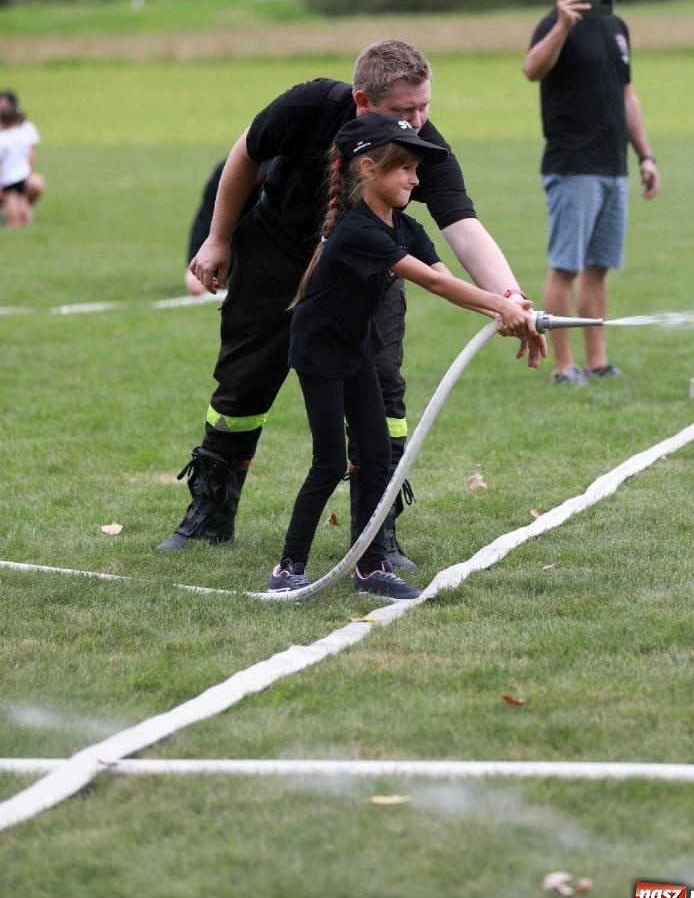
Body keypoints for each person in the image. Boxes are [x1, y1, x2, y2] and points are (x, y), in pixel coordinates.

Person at [157, 39, 547, 557]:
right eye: (403, 109)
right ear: (363, 101)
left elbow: (462, 227)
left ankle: (376, 533)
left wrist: (511, 296)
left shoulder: (424, 145)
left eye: (424, 106)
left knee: (383, 392)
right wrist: (217, 238)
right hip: (276, 255)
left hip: (366, 273)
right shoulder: (310, 105)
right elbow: (245, 153)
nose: (417, 122)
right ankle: (210, 512)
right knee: (242, 387)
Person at [269, 111, 533, 600]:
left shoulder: (405, 227)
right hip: (319, 351)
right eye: (405, 168)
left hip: (357, 347)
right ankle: (288, 568)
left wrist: (511, 311)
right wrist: (501, 307)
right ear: (368, 169)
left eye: (417, 169)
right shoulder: (359, 231)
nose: (415, 178)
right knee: (330, 462)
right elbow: (432, 283)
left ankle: (370, 568)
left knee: (375, 456)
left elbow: (446, 275)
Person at [522, 0, 660, 384]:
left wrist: (645, 155)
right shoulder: (553, 23)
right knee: (565, 268)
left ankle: (597, 362)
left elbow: (627, 96)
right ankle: (564, 367)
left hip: (613, 167)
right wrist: (563, 25)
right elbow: (531, 69)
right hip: (572, 166)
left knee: (598, 269)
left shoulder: (616, 27)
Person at [184, 160, 264, 296]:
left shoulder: (282, 173)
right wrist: (195, 265)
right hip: (234, 248)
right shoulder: (227, 171)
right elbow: (205, 217)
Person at [0, 89, 45, 229]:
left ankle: (12, 224)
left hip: (9, 177)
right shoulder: (21, 137)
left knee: (11, 201)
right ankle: (27, 223)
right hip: (22, 174)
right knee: (23, 200)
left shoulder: (3, 139)